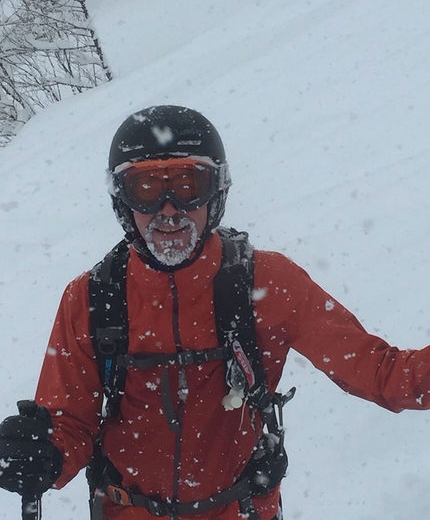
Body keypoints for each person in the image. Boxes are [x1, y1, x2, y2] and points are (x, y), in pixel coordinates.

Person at [1, 105, 430, 520]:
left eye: (188, 185)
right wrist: (44, 455)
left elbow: (383, 374)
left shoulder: (263, 282)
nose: (168, 209)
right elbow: (69, 423)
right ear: (123, 202)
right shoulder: (94, 298)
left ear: (216, 192)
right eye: (147, 189)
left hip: (240, 508)